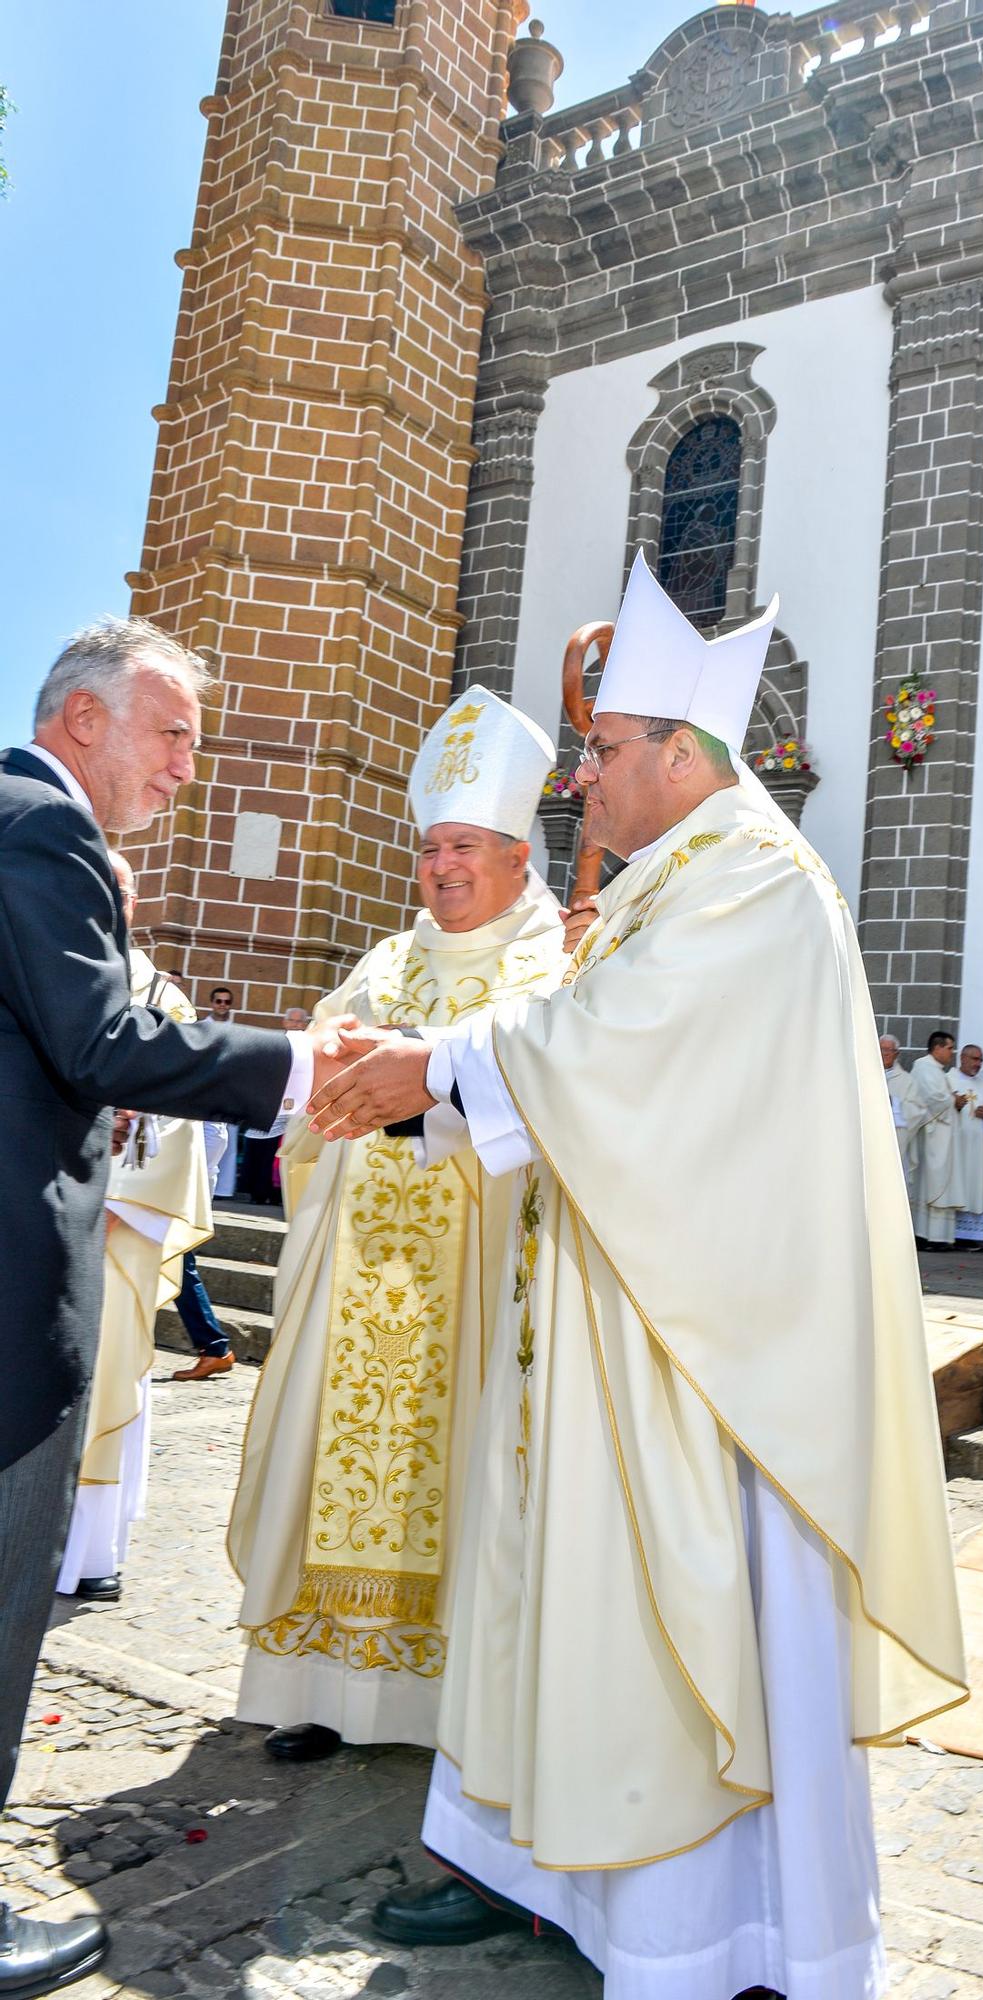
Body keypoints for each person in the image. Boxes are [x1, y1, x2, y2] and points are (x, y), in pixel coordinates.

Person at [306, 552, 966, 1999]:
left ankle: (699, 1934)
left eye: (602, 752)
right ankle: (540, 1875)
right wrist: (426, 1069)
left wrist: (433, 1070)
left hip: (701, 1365)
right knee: (562, 1601)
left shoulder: (753, 886)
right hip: (613, 1330)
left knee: (668, 1629)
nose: (580, 782)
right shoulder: (681, 880)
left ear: (680, 750)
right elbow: (579, 1044)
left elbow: (611, 1060)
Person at [0, 615, 347, 1998]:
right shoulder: (43, 828)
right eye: (173, 730)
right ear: (84, 720)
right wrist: (308, 1067)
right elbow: (97, 1037)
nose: (189, 766)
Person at [227, 690, 567, 1763]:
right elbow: (315, 1093)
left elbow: (561, 1102)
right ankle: (323, 1689)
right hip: (362, 1265)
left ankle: (451, 1706)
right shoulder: (384, 959)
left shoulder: (554, 967)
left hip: (478, 1282)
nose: (441, 867)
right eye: (429, 847)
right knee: (341, 1461)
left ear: (518, 855)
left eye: (464, 844)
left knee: (466, 1471)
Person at [56, 853, 212, 1604]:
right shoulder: (44, 969)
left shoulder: (162, 998)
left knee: (110, 1377)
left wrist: (125, 1128)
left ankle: (89, 1550)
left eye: (117, 889)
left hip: (114, 1229)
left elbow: (179, 1109)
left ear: (133, 898)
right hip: (38, 1221)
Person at [170, 1121, 235, 1380]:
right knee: (177, 1264)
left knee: (178, 1262)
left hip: (179, 1186)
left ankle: (215, 1346)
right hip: (173, 1180)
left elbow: (214, 1139)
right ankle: (214, 1346)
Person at [239, 1010, 309, 1204]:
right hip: (273, 1101)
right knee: (261, 1150)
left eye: (299, 1021)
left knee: (281, 1154)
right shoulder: (277, 1043)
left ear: (305, 1024)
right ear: (284, 1022)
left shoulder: (310, 1046)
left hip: (297, 1106)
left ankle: (278, 1193)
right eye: (291, 1021)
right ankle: (257, 1192)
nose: (295, 1025)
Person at [903, 1029, 964, 1249]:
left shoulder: (936, 1070)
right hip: (932, 1137)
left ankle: (937, 1235)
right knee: (932, 1184)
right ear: (937, 1048)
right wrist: (953, 1100)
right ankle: (929, 1235)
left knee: (937, 1182)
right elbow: (932, 1099)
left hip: (941, 1136)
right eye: (949, 1048)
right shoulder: (924, 1068)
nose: (951, 1053)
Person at [947, 1042, 983, 1247]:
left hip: (978, 1147)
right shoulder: (948, 1080)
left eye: (981, 1060)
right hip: (956, 1145)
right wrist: (954, 1106)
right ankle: (951, 1232)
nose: (978, 1064)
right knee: (956, 1183)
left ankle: (971, 1236)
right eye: (975, 1059)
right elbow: (936, 1109)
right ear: (962, 1058)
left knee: (975, 1186)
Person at [208, 986, 242, 1197]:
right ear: (212, 1003)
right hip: (206, 1089)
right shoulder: (201, 1027)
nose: (222, 1005)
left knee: (228, 1141)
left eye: (226, 1002)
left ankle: (224, 1189)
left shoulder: (237, 1031)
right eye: (219, 1001)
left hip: (229, 1089)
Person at [880, 1029, 915, 1202]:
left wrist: (894, 1103)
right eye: (881, 1049)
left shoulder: (907, 1080)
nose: (884, 1053)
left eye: (888, 1050)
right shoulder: (863, 1074)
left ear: (896, 1054)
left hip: (894, 1140)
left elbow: (918, 1110)